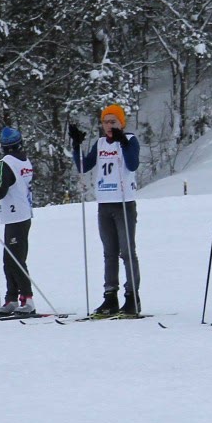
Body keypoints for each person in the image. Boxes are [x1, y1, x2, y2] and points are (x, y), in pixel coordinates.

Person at [70, 103, 141, 317]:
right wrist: (76, 146)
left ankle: (132, 298)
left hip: (124, 203)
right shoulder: (100, 143)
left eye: (113, 121)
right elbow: (84, 166)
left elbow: (132, 164)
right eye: (105, 122)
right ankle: (110, 297)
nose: (109, 126)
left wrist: (123, 143)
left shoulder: (130, 140)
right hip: (104, 203)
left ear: (122, 122)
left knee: (127, 252)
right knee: (109, 253)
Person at [0, 126, 37, 316]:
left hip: (16, 215)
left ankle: (28, 300)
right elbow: (9, 180)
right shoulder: (24, 159)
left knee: (15, 260)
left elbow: (1, 189)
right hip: (20, 214)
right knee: (10, 259)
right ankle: (12, 299)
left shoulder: (6, 162)